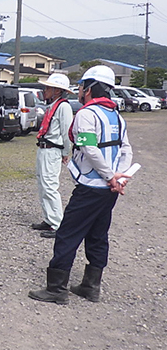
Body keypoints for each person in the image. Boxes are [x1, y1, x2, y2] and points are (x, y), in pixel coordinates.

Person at [29, 65, 133, 305]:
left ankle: (56, 289)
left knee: (67, 234)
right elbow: (125, 149)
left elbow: (89, 149)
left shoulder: (87, 114)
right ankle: (90, 286)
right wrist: (120, 177)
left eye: (81, 86)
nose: (79, 90)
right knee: (98, 234)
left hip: (91, 186)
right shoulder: (116, 115)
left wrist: (109, 177)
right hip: (109, 190)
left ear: (89, 88)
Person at [32, 73, 74, 239]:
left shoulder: (63, 107)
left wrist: (65, 152)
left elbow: (66, 131)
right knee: (43, 184)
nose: (45, 90)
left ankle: (57, 223)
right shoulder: (53, 105)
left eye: (48, 87)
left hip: (53, 150)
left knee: (50, 186)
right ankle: (49, 219)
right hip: (44, 148)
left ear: (57, 91)